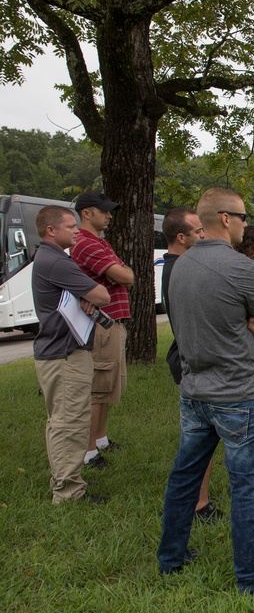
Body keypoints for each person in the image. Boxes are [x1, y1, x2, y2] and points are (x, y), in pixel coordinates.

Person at [157, 188, 254, 596]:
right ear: (226, 219)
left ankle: (171, 558)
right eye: (245, 217)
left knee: (184, 478)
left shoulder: (178, 263)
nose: (249, 224)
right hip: (237, 395)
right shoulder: (240, 267)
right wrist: (247, 326)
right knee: (247, 489)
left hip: (194, 390)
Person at [31, 205, 111, 504]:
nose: (77, 231)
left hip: (62, 351)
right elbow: (102, 295)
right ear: (51, 230)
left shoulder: (51, 258)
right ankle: (67, 492)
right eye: (70, 226)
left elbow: (91, 296)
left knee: (64, 419)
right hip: (64, 354)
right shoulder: (56, 262)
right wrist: (89, 295)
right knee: (69, 422)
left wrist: (84, 296)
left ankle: (68, 482)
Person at [161, 207, 223, 523]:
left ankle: (198, 498)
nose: (203, 235)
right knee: (199, 438)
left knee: (201, 435)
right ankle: (198, 504)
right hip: (190, 359)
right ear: (181, 237)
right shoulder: (179, 268)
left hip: (189, 358)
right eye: (198, 231)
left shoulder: (179, 265)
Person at [70, 190, 132, 470]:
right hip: (102, 324)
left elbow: (122, 273)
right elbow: (125, 275)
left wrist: (120, 270)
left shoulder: (99, 242)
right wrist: (121, 270)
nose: (108, 215)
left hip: (112, 323)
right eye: (103, 211)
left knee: (108, 386)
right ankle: (88, 450)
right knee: (98, 388)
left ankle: (101, 438)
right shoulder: (86, 243)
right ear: (86, 213)